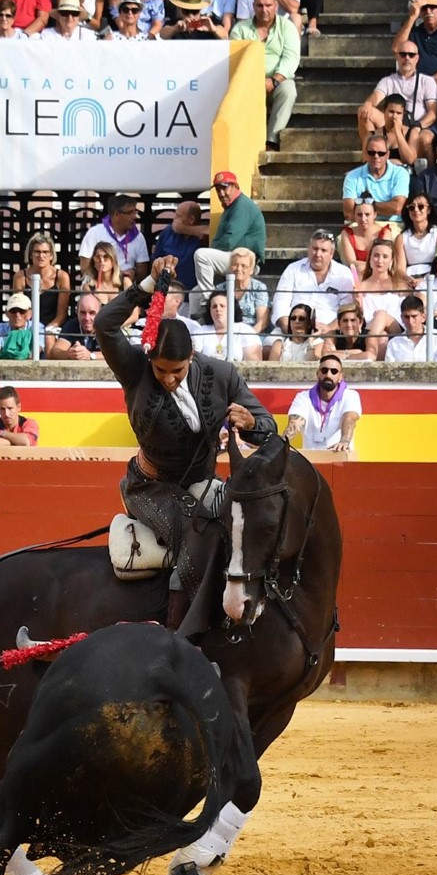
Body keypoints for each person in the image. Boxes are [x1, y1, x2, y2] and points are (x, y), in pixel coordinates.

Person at [93, 253, 276, 627]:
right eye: (160, 370)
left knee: (248, 532)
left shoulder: (221, 375)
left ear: (191, 357)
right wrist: (147, 285)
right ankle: (182, 634)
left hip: (202, 483)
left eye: (176, 371)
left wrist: (250, 423)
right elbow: (104, 324)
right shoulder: (135, 369)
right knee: (198, 538)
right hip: (150, 486)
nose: (167, 378)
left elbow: (268, 426)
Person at [229, 0, 300, 147]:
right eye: (260, 5)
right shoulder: (240, 29)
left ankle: (271, 141)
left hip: (277, 82)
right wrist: (254, 81)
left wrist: (273, 80)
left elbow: (291, 58)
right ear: (253, 6)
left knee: (289, 90)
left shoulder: (287, 27)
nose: (264, 10)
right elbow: (235, 59)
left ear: (276, 6)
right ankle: (245, 142)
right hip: (248, 81)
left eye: (268, 5)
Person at [190, 170, 266, 315]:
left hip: (246, 262)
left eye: (225, 188)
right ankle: (199, 325)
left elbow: (229, 241)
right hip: (232, 258)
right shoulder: (231, 207)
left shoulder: (242, 206)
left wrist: (212, 251)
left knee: (201, 255)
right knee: (194, 294)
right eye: (218, 189)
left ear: (235, 186)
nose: (221, 193)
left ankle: (209, 302)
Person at [271, 229, 354, 334]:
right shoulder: (293, 269)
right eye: (315, 248)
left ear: (331, 253)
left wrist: (330, 328)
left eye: (323, 250)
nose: (318, 254)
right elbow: (280, 303)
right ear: (309, 249)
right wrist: (290, 330)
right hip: (291, 328)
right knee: (270, 344)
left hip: (329, 332)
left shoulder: (344, 273)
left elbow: (346, 309)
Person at [284, 355, 361, 452]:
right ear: (317, 374)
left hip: (339, 455)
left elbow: (349, 419)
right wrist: (279, 446)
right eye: (324, 370)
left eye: (334, 371)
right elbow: (295, 424)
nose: (328, 375)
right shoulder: (303, 397)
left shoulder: (350, 395)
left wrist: (344, 442)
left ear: (340, 377)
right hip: (310, 459)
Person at [78, 192, 149, 282]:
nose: (135, 217)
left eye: (135, 212)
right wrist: (114, 275)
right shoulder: (95, 233)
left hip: (126, 287)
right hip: (98, 286)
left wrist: (133, 274)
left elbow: (142, 273)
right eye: (130, 213)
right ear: (117, 214)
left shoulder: (138, 237)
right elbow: (85, 268)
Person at [341, 133, 410, 222]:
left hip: (392, 224)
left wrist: (364, 205)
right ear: (366, 153)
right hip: (360, 224)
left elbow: (397, 208)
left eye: (381, 153)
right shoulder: (352, 176)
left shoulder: (400, 173)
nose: (376, 156)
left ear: (388, 154)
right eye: (371, 153)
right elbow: (349, 212)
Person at [13, 230, 70, 329]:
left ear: (51, 255)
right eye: (37, 252)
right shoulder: (20, 277)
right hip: (27, 328)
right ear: (30, 255)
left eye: (45, 252)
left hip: (53, 328)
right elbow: (19, 310)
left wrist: (48, 330)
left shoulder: (62, 277)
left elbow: (62, 315)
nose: (41, 256)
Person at [149, 200, 205, 292]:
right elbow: (155, 259)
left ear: (191, 219)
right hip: (167, 291)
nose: (174, 219)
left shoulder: (203, 238)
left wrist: (185, 229)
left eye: (178, 216)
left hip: (191, 292)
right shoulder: (168, 232)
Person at [191, 288, 262, 361]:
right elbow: (193, 361)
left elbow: (253, 363)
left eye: (222, 306)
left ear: (232, 309)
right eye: (214, 306)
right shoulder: (200, 332)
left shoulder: (245, 330)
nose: (218, 309)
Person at [383, 294, 437, 362]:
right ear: (401, 318)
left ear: (423, 317)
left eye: (414, 316)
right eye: (406, 317)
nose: (410, 321)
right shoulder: (393, 343)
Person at [394, 194, 437, 281]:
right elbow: (400, 269)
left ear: (429, 210)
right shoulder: (401, 238)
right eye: (411, 207)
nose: (416, 210)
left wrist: (423, 280)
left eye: (420, 206)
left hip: (433, 279)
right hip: (409, 279)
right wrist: (409, 280)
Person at [0, 386, 39, 455]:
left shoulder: (29, 423)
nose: (6, 414)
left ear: (19, 407)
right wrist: (17, 442)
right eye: (2, 409)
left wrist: (3, 434)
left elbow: (26, 441)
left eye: (10, 408)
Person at [49, 292, 105, 360]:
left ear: (100, 313)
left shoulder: (107, 327)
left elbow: (115, 352)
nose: (87, 318)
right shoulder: (72, 325)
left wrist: (91, 355)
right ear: (77, 312)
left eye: (92, 313)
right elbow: (56, 351)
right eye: (83, 313)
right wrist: (69, 354)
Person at [0, 291, 34, 358]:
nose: (17, 315)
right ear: (7, 313)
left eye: (21, 311)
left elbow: (38, 348)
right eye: (13, 311)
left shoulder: (36, 327)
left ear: (29, 314)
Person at [81, 238, 133, 304]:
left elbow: (134, 309)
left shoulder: (125, 282)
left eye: (106, 257)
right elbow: (89, 309)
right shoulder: (88, 287)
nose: (102, 261)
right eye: (98, 257)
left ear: (113, 261)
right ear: (94, 262)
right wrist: (97, 302)